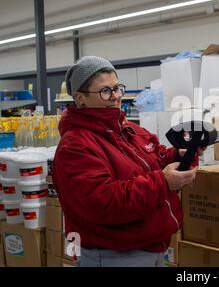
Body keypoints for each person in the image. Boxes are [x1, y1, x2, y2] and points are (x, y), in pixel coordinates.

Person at [53, 56, 203, 267]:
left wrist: (182, 155)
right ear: (80, 98)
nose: (115, 97)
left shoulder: (129, 129)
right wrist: (163, 182)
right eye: (105, 91)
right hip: (115, 255)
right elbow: (103, 202)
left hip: (152, 247)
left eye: (117, 88)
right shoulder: (76, 146)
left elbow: (157, 158)